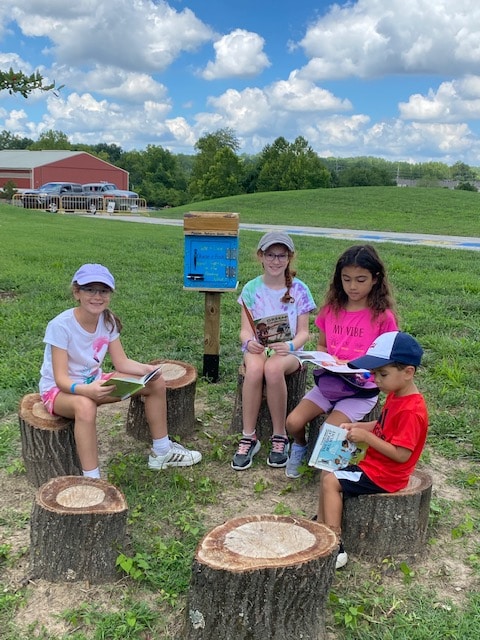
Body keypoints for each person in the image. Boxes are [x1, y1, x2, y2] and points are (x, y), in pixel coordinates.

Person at [39, 263, 202, 478]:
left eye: (104, 290)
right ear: (77, 292)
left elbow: (122, 363)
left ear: (110, 294)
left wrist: (148, 369)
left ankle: (162, 451)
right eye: (90, 289)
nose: (97, 296)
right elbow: (60, 379)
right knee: (85, 406)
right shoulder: (60, 326)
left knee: (154, 383)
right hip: (61, 392)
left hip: (95, 382)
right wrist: (86, 391)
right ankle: (93, 479)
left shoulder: (107, 321)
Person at [285, 244, 398, 479]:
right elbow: (323, 346)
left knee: (331, 435)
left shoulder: (382, 317)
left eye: (360, 280)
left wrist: (365, 370)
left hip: (360, 391)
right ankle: (300, 446)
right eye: (346, 279)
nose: (353, 286)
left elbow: (388, 359)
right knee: (293, 422)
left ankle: (335, 475)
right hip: (329, 384)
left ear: (375, 279)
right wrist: (327, 360)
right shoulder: (331, 309)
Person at [317, 330, 428, 568]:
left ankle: (334, 545)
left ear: (408, 372)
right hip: (374, 467)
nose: (376, 379)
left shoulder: (411, 411)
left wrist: (366, 436)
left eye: (383, 373)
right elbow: (383, 426)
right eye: (375, 373)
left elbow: (401, 454)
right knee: (328, 469)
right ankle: (323, 523)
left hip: (385, 476)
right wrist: (360, 426)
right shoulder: (397, 394)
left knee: (330, 481)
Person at [231, 232, 316, 471]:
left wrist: (289, 346)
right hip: (259, 349)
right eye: (270, 255)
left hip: (288, 352)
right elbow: (244, 331)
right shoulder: (251, 289)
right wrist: (250, 344)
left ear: (290, 258)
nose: (276, 261)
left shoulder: (299, 290)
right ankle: (249, 436)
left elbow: (303, 333)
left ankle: (280, 435)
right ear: (261, 256)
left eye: (282, 255)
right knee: (255, 369)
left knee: (274, 367)